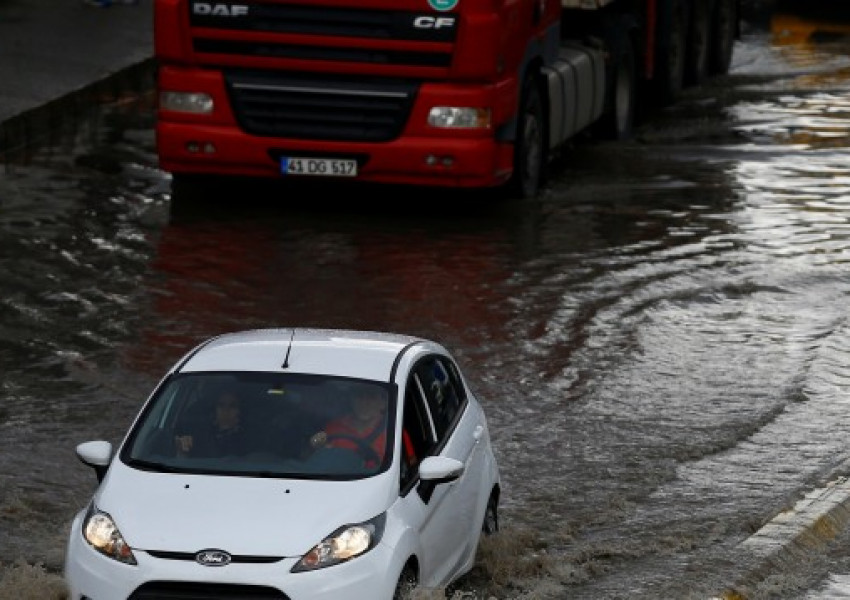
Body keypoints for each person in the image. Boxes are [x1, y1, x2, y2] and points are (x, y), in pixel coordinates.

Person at [175, 388, 249, 458]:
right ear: (215, 410)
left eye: (232, 406)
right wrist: (182, 451)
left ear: (239, 411)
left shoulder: (248, 438)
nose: (226, 410)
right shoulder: (200, 436)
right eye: (221, 405)